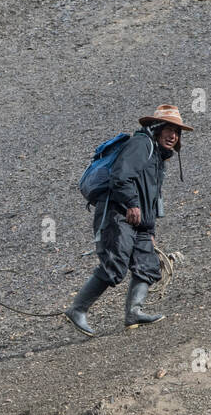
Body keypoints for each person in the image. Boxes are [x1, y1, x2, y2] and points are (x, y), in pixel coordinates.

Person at [66, 104, 192, 336]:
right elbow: (120, 176)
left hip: (140, 220)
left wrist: (150, 230)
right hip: (119, 212)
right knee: (115, 264)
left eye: (177, 131)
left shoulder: (157, 157)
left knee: (148, 265)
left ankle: (134, 312)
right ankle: (77, 309)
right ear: (157, 127)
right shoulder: (141, 144)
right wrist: (132, 203)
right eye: (169, 129)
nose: (173, 135)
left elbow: (152, 198)